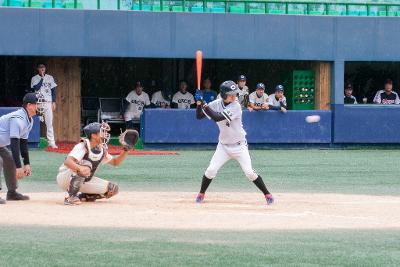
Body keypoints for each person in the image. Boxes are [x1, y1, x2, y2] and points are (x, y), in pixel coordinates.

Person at [194, 81, 274, 205]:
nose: (234, 96)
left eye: (234, 94)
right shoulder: (215, 103)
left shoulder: (236, 106)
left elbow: (217, 117)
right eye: (230, 94)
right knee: (211, 170)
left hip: (239, 146)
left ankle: (267, 194)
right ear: (223, 94)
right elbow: (199, 116)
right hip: (223, 147)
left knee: (249, 173)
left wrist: (204, 103)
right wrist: (199, 103)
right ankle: (201, 193)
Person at [56, 122, 129, 205]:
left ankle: (86, 196)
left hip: (83, 180)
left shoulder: (100, 149)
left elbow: (116, 162)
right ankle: (70, 197)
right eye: (102, 132)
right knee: (86, 165)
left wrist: (126, 149)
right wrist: (80, 168)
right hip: (65, 177)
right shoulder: (83, 145)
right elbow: (67, 162)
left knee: (112, 189)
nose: (105, 134)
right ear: (93, 135)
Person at [0, 93, 39, 204]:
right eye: (37, 104)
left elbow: (23, 143)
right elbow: (14, 144)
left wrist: (26, 163)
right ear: (29, 106)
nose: (39, 106)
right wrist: (18, 167)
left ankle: (12, 193)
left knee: (10, 161)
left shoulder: (29, 120)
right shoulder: (17, 119)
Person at [30, 63, 58, 148]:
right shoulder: (34, 78)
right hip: (38, 103)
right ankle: (35, 141)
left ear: (45, 68)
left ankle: (51, 142)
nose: (42, 69)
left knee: (49, 123)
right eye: (40, 67)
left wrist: (53, 102)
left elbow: (53, 90)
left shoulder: (50, 77)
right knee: (37, 121)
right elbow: (36, 88)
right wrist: (42, 78)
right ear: (37, 69)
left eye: (43, 67)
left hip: (48, 102)